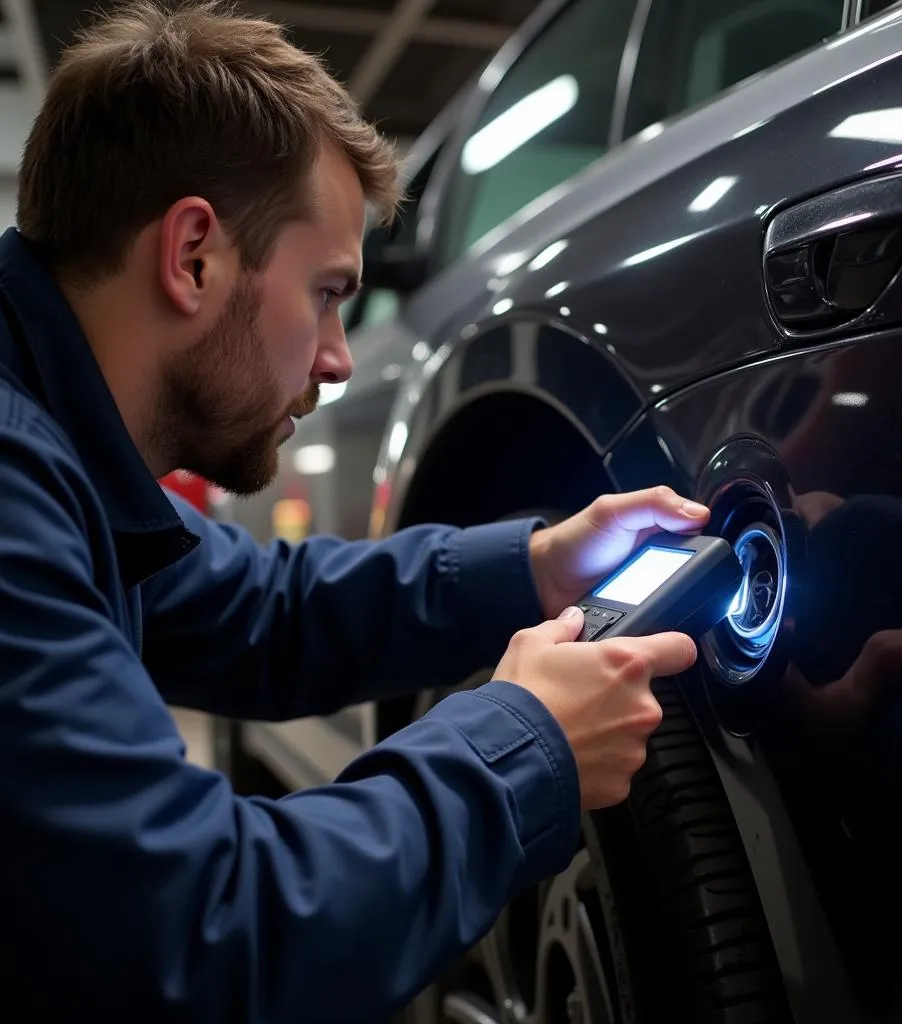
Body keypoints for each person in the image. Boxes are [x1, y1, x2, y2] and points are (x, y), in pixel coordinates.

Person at [0, 2, 711, 1020]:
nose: (339, 357)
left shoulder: (59, 450)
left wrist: (539, 563)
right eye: (328, 292)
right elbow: (200, 934)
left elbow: (262, 607)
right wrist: (526, 745)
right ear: (193, 255)